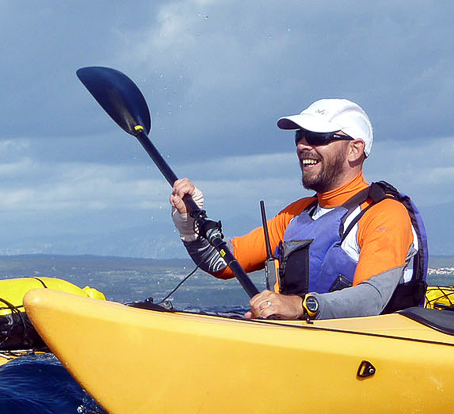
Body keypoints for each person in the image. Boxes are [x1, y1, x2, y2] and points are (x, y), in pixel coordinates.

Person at [169, 98, 426, 321]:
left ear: (354, 149)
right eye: (298, 137)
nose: (302, 145)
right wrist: (189, 226)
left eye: (317, 137)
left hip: (365, 361)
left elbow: (371, 299)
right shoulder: (296, 215)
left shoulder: (385, 214)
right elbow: (222, 263)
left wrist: (299, 306)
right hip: (302, 350)